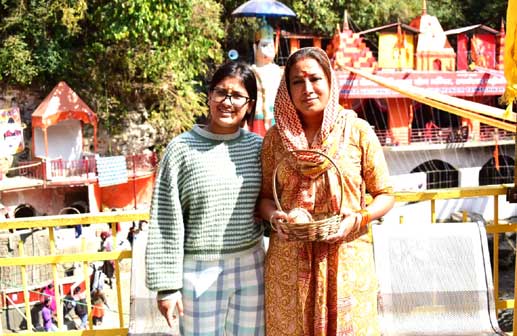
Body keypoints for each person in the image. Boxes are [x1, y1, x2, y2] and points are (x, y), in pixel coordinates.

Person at [259, 47, 395, 335]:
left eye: (315, 78)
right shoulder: (275, 139)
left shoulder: (357, 131)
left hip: (346, 255)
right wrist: (275, 219)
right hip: (289, 260)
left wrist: (358, 218)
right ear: (287, 88)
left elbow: (386, 194)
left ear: (330, 82)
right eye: (297, 81)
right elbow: (265, 199)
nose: (307, 88)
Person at [145, 61, 265, 335]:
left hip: (252, 266)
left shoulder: (259, 148)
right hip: (199, 270)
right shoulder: (181, 149)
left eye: (237, 96)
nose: (228, 102)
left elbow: (270, 201)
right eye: (221, 92)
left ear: (250, 104)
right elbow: (166, 218)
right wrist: (167, 287)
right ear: (209, 96)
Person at [249, 21, 282, 137]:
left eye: (271, 45)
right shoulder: (251, 71)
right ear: (255, 48)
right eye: (264, 45)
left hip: (276, 113)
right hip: (258, 114)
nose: (268, 49)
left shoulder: (277, 70)